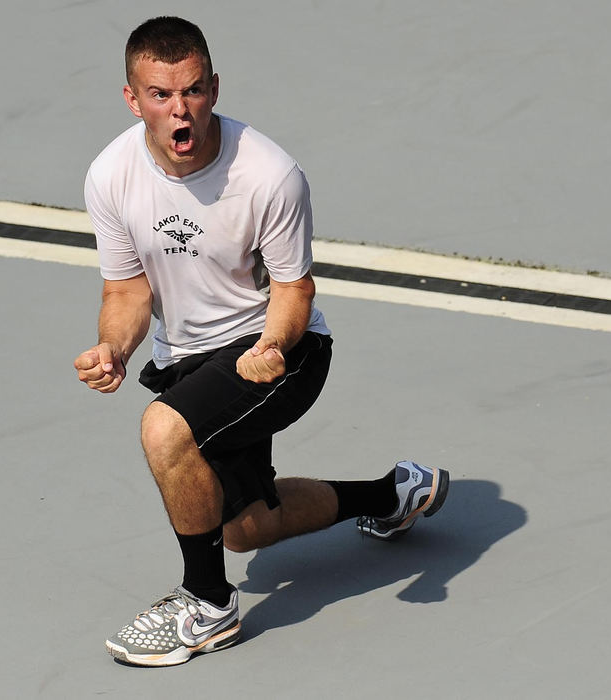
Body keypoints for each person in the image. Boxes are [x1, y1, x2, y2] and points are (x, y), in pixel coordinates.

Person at [74, 16, 449, 667]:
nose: (179, 108)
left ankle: (207, 604)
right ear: (133, 100)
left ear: (214, 88)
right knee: (246, 528)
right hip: (188, 361)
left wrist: (272, 345)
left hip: (280, 352)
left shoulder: (270, 174)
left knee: (166, 431)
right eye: (160, 95)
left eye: (191, 90)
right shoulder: (110, 176)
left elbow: (294, 291)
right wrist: (113, 348)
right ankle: (393, 495)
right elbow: (128, 292)